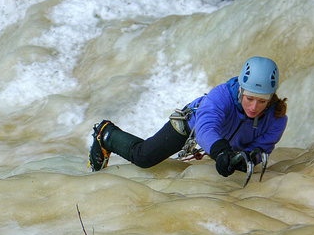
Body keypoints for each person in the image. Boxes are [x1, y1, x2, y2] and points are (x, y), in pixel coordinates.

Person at [89, 56, 288, 178]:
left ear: (270, 98)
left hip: (221, 142)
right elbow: (206, 128)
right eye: (250, 98)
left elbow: (264, 146)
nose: (254, 107)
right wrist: (220, 152)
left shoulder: (276, 118)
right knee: (144, 157)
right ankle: (106, 133)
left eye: (262, 102)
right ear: (241, 91)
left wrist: (251, 157)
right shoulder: (222, 96)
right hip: (191, 125)